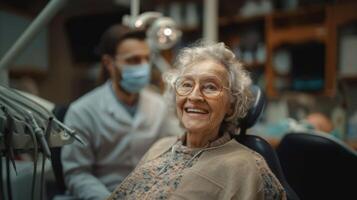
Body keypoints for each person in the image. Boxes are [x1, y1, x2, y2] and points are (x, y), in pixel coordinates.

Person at [107, 42, 286, 199]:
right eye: (186, 84)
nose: (194, 96)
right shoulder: (160, 147)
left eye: (210, 87)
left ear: (231, 104)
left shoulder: (247, 167)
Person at [61, 24, 181, 200]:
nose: (143, 66)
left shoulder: (159, 105)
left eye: (146, 59)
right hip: (103, 193)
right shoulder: (82, 111)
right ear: (109, 63)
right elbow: (77, 173)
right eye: (133, 60)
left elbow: (175, 153)